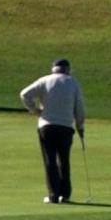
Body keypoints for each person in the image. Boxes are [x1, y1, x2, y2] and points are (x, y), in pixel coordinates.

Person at [20, 57, 86, 203]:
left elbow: (24, 94)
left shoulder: (45, 80)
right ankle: (65, 195)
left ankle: (53, 195)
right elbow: (79, 108)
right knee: (64, 160)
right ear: (67, 69)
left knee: (50, 161)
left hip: (46, 126)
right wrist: (80, 126)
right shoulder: (73, 82)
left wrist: (35, 110)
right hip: (65, 128)